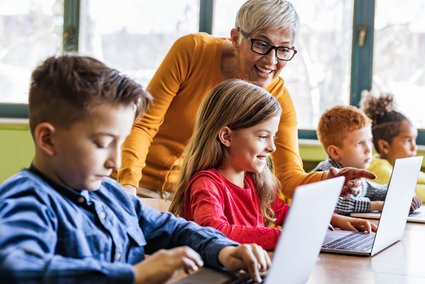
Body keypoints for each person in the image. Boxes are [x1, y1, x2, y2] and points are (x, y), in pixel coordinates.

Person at [0, 55, 270, 283]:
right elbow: (18, 269)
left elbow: (174, 229)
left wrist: (224, 251)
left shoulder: (110, 193)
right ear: (48, 139)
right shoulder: (26, 200)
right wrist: (133, 274)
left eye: (121, 143)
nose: (116, 162)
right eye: (103, 143)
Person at [116, 0, 373, 200]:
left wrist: (329, 179)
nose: (271, 61)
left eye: (283, 49)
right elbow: (143, 124)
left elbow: (289, 177)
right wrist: (128, 186)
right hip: (140, 187)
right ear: (236, 38)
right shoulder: (192, 51)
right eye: (261, 44)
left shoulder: (278, 98)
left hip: (196, 199)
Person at [169, 79, 377, 250]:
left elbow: (285, 212)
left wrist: (333, 219)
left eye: (273, 137)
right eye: (262, 136)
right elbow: (214, 231)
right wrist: (283, 237)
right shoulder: (206, 184)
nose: (272, 147)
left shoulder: (252, 180)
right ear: (226, 136)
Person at [313, 105, 422, 215]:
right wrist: (377, 206)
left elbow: (376, 191)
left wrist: (405, 195)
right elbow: (334, 204)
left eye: (369, 141)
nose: (368, 149)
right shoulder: (324, 174)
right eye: (360, 143)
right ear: (335, 152)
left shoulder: (357, 177)